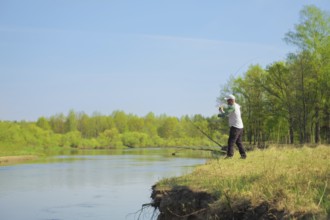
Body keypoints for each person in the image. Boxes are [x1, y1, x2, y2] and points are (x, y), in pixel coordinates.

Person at [218, 94, 247, 159]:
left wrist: (220, 113)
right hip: (240, 127)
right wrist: (222, 111)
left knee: (231, 141)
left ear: (231, 100)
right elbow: (228, 114)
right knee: (238, 142)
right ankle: (243, 155)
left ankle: (229, 156)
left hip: (235, 127)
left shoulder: (232, 107)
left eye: (228, 100)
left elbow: (224, 115)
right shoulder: (236, 106)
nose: (227, 102)